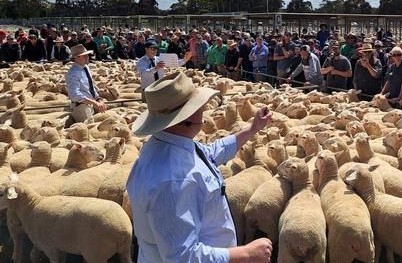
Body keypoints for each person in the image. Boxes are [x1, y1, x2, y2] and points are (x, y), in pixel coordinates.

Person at [126, 72, 273, 263]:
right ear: (184, 118)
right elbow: (182, 257)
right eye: (198, 105)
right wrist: (247, 253)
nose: (204, 108)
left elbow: (209, 153)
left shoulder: (168, 143)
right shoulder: (174, 180)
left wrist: (252, 129)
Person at [65, 44, 108, 123]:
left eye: (87, 55)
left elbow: (91, 86)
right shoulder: (72, 73)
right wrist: (94, 102)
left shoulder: (86, 68)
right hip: (81, 106)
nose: (88, 57)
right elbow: (74, 94)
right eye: (85, 56)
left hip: (92, 102)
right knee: (90, 126)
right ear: (77, 58)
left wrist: (98, 99)